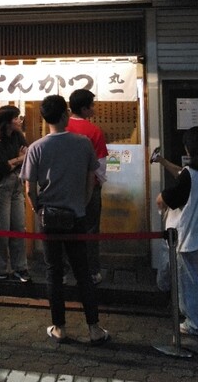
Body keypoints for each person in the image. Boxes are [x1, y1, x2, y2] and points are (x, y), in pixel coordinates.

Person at [20, 95, 109, 345]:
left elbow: (29, 188)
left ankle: (59, 328)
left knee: (54, 272)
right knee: (82, 272)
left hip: (49, 217)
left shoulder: (36, 147)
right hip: (76, 216)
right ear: (64, 115)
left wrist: (38, 209)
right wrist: (82, 204)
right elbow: (91, 179)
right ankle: (94, 329)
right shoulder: (83, 143)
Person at [155, 126, 198, 337]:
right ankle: (193, 320)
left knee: (189, 283)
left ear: (189, 148)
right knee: (188, 279)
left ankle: (197, 325)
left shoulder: (190, 174)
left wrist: (161, 199)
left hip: (183, 236)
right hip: (195, 233)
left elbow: (168, 198)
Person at [0, 105, 31, 283]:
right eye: (16, 117)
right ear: (8, 121)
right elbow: (2, 168)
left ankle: (20, 268)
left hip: (17, 185)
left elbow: (27, 156)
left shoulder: (18, 136)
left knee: (18, 227)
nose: (20, 120)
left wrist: (15, 161)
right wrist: (19, 158)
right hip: (1, 186)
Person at [67, 89, 108, 284]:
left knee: (65, 229)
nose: (94, 108)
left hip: (65, 188)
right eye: (92, 105)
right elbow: (100, 165)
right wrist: (99, 181)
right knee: (90, 229)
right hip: (90, 187)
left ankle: (66, 271)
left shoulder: (60, 128)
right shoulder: (94, 131)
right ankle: (91, 271)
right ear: (84, 108)